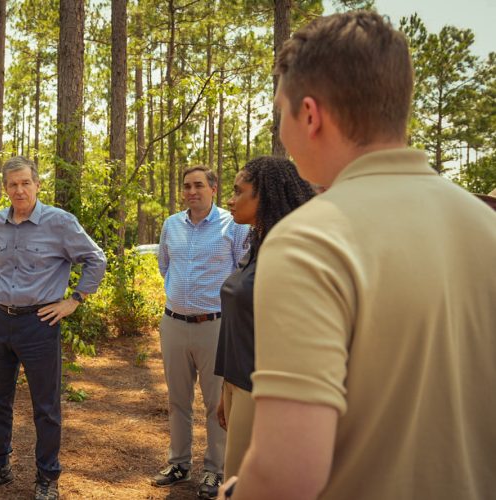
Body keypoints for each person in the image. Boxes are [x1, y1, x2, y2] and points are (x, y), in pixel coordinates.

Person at [220, 11, 496, 500]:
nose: (282, 130)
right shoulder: (487, 226)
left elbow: (287, 473)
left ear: (309, 114)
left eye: (280, 112)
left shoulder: (310, 240)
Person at [0, 156, 106, 500]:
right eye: (12, 184)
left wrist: (74, 300)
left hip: (39, 324)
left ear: (37, 185)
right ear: (5, 189)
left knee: (45, 407)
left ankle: (47, 477)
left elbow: (95, 259)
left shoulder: (60, 223)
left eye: (25, 183)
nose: (19, 190)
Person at [212, 157, 315, 479]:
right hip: (237, 383)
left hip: (262, 391)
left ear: (265, 197)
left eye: (238, 191)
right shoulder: (257, 245)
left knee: (243, 483)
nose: (230, 199)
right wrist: (225, 390)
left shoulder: (290, 255)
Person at [151, 165, 249, 499]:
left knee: (215, 402)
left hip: (216, 327)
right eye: (186, 186)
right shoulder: (171, 225)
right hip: (174, 323)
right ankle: (178, 463)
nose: (192, 191)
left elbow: (241, 271)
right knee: (177, 399)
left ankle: (214, 469)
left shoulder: (231, 225)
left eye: (198, 185)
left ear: (213, 189)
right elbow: (165, 266)